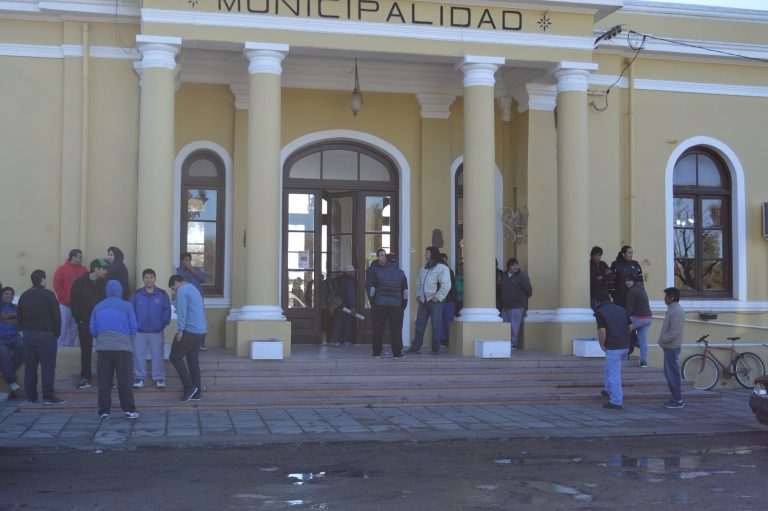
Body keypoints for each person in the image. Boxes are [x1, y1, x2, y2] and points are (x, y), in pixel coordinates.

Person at [90, 280, 139, 420]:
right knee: (124, 380)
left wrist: (101, 338)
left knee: (104, 381)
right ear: (120, 291)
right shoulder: (127, 306)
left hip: (103, 349)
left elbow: (92, 329)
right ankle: (129, 410)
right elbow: (133, 327)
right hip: (123, 349)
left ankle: (104, 411)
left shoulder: (98, 307)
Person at [17, 270, 65, 405]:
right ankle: (48, 397)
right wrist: (57, 332)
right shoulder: (48, 294)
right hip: (46, 334)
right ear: (43, 280)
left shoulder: (25, 295)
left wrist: (23, 329)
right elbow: (56, 315)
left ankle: (30, 397)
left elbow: (19, 314)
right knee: (47, 367)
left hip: (28, 335)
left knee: (30, 367)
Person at [70, 258, 108, 389]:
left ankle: (108, 379)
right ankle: (86, 378)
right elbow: (73, 302)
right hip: (84, 322)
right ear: (96, 269)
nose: (106, 271)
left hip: (102, 323)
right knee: (85, 351)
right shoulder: (79, 283)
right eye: (104, 269)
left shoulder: (105, 283)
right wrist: (79, 319)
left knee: (105, 351)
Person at [130, 268, 171, 389]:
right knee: (138, 355)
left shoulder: (162, 294)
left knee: (158, 355)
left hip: (156, 331)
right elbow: (131, 311)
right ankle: (139, 378)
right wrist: (134, 325)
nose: (149, 280)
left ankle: (159, 378)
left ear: (155, 279)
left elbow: (167, 310)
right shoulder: (137, 294)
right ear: (143, 279)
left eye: (151, 277)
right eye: (146, 278)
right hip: (139, 331)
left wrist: (162, 324)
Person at [168, 274, 207, 402]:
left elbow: (182, 312)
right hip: (200, 331)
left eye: (173, 288)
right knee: (192, 361)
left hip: (189, 330)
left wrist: (180, 331)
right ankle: (197, 393)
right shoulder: (194, 288)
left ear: (177, 282)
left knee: (175, 357)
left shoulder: (182, 291)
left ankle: (189, 387)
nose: (174, 291)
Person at [406, 246, 451, 355]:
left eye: (427, 253)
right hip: (424, 301)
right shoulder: (424, 268)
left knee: (436, 325)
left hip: (436, 302)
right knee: (419, 324)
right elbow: (418, 282)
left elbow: (447, 284)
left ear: (433, 254)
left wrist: (438, 296)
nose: (425, 255)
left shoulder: (442, 268)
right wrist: (418, 295)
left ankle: (435, 348)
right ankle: (416, 347)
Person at [367, 250, 408, 359]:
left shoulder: (378, 272)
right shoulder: (401, 273)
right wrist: (402, 307)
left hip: (380, 304)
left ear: (386, 260)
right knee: (396, 330)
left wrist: (374, 304)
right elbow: (405, 293)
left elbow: (372, 291)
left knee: (378, 329)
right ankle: (397, 354)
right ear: (397, 262)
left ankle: (377, 353)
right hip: (396, 306)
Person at [594, 291, 631, 410]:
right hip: (625, 345)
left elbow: (602, 331)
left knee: (614, 374)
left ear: (598, 302)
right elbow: (630, 326)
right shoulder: (621, 309)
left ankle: (616, 401)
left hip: (614, 347)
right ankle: (609, 390)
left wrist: (602, 344)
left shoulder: (600, 312)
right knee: (608, 369)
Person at [53, 249, 88, 347]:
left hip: (79, 306)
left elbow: (87, 286)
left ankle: (69, 348)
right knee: (63, 326)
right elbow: (57, 285)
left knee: (74, 328)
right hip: (65, 305)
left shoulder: (84, 270)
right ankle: (59, 348)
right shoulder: (62, 270)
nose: (82, 259)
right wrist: (64, 298)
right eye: (80, 257)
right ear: (73, 257)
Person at [658, 287, 685, 409]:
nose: (664, 299)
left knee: (672, 375)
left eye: (666, 296)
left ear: (671, 298)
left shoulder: (676, 311)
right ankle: (676, 399)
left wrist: (664, 339)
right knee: (669, 374)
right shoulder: (672, 309)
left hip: (672, 347)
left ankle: (677, 400)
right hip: (669, 347)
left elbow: (675, 331)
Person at [176, 253, 208, 350]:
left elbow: (204, 279)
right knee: (187, 319)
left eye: (189, 259)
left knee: (200, 320)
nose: (188, 261)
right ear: (181, 261)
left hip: (198, 299)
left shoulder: (195, 269)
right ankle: (187, 342)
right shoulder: (179, 271)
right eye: (186, 259)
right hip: (186, 299)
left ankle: (201, 344)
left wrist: (192, 270)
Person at [500, 258, 533, 349]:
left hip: (517, 305)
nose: (515, 267)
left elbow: (528, 290)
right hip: (505, 305)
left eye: (516, 264)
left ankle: (513, 344)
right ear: (509, 267)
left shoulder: (522, 276)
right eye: (513, 265)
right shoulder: (504, 275)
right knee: (505, 325)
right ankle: (505, 343)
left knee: (515, 326)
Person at [0, 287, 25, 397]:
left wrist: (5, 318)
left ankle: (6, 369)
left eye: (11, 294)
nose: (9, 295)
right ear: (2, 295)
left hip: (15, 337)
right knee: (3, 354)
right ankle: (12, 381)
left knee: (25, 348)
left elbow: (20, 324)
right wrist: (13, 317)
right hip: (1, 339)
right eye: (6, 293)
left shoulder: (16, 308)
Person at [625, 275, 653, 367]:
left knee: (624, 330)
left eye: (629, 280)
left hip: (638, 319)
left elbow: (629, 308)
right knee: (643, 341)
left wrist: (624, 318)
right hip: (648, 319)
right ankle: (643, 362)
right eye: (626, 281)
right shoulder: (641, 289)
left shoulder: (632, 291)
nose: (627, 283)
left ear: (634, 282)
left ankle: (624, 356)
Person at [329, 265, 358, 347]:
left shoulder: (338, 279)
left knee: (338, 323)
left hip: (338, 305)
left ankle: (334, 340)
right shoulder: (350, 281)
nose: (354, 273)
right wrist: (352, 307)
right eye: (353, 271)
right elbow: (350, 295)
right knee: (347, 324)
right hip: (346, 306)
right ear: (349, 272)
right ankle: (346, 341)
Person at [439, 254, 457, 348]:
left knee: (448, 321)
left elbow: (451, 287)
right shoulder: (438, 271)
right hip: (440, 300)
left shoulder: (449, 271)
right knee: (441, 321)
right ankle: (443, 340)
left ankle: (449, 341)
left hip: (449, 301)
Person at [589, 246, 611, 311]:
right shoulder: (588, 265)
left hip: (604, 294)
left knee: (607, 313)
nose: (597, 258)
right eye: (595, 255)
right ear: (591, 255)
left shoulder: (603, 264)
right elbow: (593, 281)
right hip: (594, 295)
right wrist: (605, 276)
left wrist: (602, 277)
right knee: (595, 315)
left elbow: (610, 276)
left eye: (599, 255)